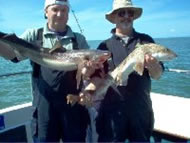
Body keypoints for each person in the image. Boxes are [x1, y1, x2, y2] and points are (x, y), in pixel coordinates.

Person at [0, 0, 93, 142]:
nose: (60, 14)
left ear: (69, 14)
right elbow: (12, 55)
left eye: (64, 10)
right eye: (55, 9)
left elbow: (87, 74)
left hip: (73, 105)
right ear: (46, 12)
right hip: (44, 107)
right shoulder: (34, 35)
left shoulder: (78, 39)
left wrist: (88, 69)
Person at [94, 0, 164, 142]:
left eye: (130, 12)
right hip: (112, 111)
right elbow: (97, 77)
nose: (126, 16)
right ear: (114, 17)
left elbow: (157, 75)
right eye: (121, 13)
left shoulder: (146, 41)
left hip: (140, 110)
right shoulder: (104, 45)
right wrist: (90, 92)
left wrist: (153, 66)